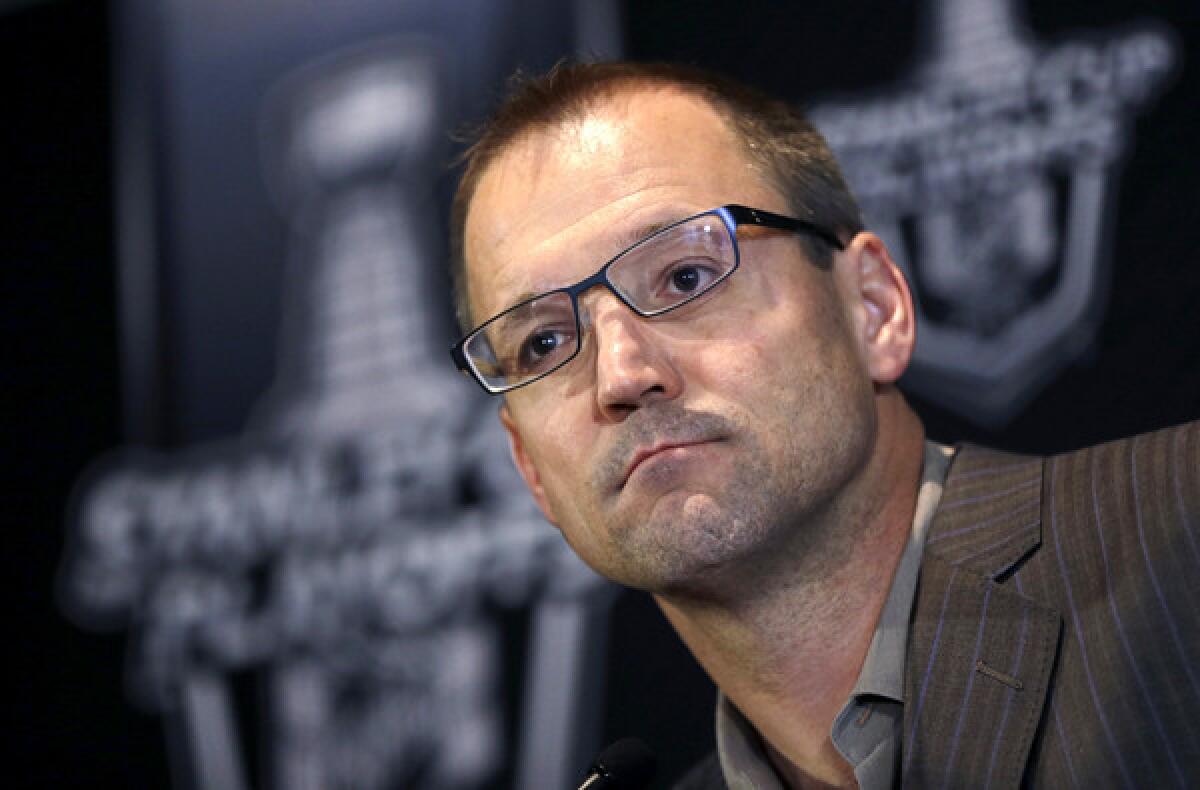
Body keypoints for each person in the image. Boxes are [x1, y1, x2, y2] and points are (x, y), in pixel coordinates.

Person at [446, 61, 1200, 789]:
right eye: (543, 342)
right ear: (531, 471)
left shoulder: (1181, 537)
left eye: (686, 276)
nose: (621, 375)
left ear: (872, 307)